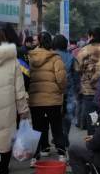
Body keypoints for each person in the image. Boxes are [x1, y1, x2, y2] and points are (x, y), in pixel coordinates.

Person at [27, 32, 66, 163]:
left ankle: (35, 157)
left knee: (37, 127)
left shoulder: (30, 57)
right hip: (53, 99)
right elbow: (61, 79)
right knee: (56, 127)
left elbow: (27, 76)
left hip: (35, 99)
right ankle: (61, 154)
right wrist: (60, 91)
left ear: (38, 41)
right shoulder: (56, 58)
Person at [0, 30, 30, 174]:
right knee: (4, 141)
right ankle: (3, 168)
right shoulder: (13, 62)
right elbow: (19, 90)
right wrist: (23, 111)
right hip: (7, 111)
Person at [52, 34, 78, 148]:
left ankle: (57, 138)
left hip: (53, 91)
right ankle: (64, 137)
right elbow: (76, 76)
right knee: (66, 117)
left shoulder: (50, 56)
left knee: (55, 117)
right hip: (69, 91)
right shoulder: (71, 57)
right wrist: (77, 90)